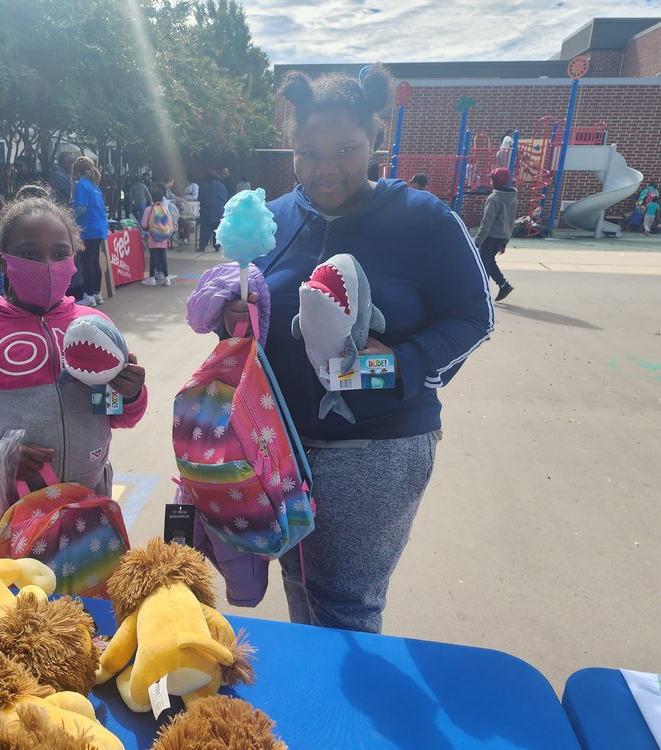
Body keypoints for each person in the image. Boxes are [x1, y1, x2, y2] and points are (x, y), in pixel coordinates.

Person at [186, 66, 493, 634]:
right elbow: (251, 318)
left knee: (344, 602)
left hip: (377, 442)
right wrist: (235, 319)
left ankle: (343, 723)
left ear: (376, 141)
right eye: (308, 152)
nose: (326, 168)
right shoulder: (271, 219)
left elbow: (476, 315)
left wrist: (397, 365)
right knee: (299, 582)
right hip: (273, 439)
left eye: (346, 149)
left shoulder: (424, 220)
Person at [0, 184, 148, 495]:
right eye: (29, 253)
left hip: (91, 505)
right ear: (2, 260)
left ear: (74, 259)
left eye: (60, 253)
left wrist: (129, 394)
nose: (47, 265)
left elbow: (111, 412)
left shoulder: (96, 329)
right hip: (6, 511)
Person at [71, 156, 109, 307]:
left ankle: (89, 296)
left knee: (87, 262)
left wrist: (67, 217)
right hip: (99, 226)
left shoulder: (81, 184)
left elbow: (81, 208)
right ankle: (97, 294)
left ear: (77, 171)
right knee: (94, 262)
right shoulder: (95, 185)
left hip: (88, 227)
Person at [475, 167, 518, 301]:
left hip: (490, 237)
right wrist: (505, 241)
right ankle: (503, 285)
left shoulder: (494, 198)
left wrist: (477, 241)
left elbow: (487, 222)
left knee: (483, 264)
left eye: (491, 179)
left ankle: (484, 293)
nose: (490, 181)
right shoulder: (513, 198)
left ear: (495, 181)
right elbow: (511, 221)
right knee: (489, 262)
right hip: (501, 237)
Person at [141, 185, 174, 286]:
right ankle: (166, 278)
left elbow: (144, 224)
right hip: (164, 237)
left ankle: (151, 278)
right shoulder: (166, 209)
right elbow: (171, 226)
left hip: (153, 237)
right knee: (163, 257)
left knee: (153, 257)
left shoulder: (149, 209)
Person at [197, 170, 228, 252]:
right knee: (217, 229)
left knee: (205, 229)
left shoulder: (203, 186)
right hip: (218, 211)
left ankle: (202, 246)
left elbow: (199, 198)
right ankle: (217, 246)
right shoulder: (221, 186)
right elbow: (225, 197)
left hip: (206, 211)